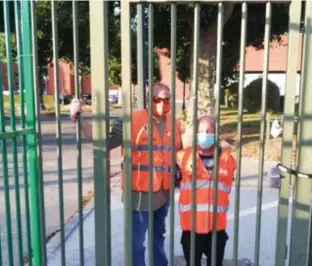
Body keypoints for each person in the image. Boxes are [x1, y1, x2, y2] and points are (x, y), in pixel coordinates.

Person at [69, 83, 183, 266]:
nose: (163, 103)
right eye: (158, 99)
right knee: (137, 242)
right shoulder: (131, 122)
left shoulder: (175, 124)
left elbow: (181, 153)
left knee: (158, 236)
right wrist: (79, 117)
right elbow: (102, 140)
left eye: (167, 99)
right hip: (139, 194)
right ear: (149, 100)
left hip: (163, 193)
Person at [176, 116, 236, 266]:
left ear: (216, 134)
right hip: (192, 228)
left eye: (209, 131)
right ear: (196, 133)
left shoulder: (227, 159)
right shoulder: (183, 157)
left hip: (217, 228)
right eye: (201, 131)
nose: (205, 134)